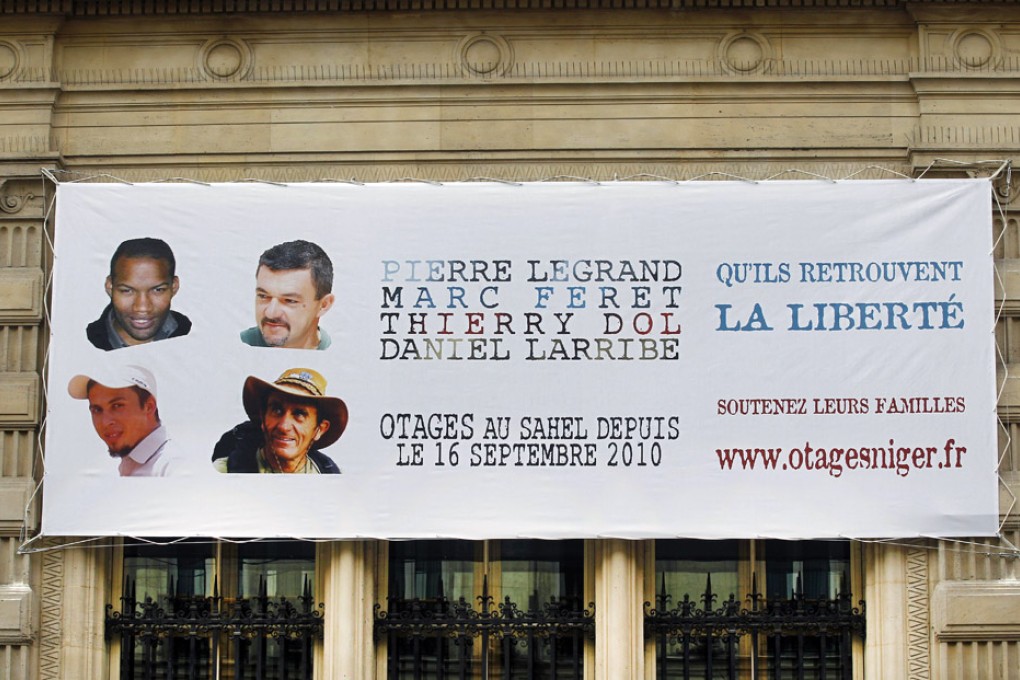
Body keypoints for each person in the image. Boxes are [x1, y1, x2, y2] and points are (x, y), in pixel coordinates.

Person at [212, 367, 347, 474]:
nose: (283, 426)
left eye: (299, 414)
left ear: (320, 429)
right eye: (276, 410)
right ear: (263, 417)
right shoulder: (222, 473)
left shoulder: (333, 478)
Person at [86, 238, 192, 351]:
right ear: (110, 287)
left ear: (174, 287)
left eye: (157, 290)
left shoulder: (196, 340)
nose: (142, 308)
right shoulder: (78, 344)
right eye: (127, 291)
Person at [68, 365, 173, 476]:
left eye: (117, 406)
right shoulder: (127, 465)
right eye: (97, 410)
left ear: (149, 407)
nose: (105, 422)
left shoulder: (172, 467)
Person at [240, 240, 335, 350]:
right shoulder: (235, 346)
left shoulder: (340, 357)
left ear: (323, 305)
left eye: (290, 300)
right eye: (263, 296)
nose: (271, 313)